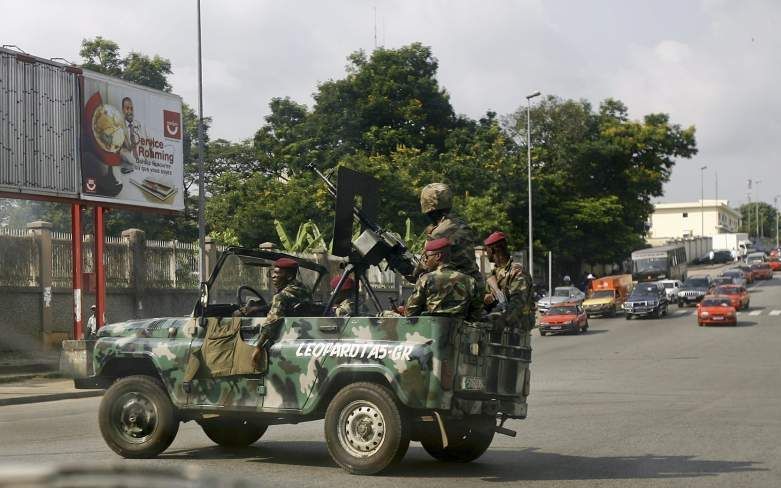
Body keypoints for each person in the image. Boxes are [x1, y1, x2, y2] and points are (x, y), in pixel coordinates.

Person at [410, 183, 482, 285]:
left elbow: (423, 268)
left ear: (428, 209)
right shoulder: (462, 225)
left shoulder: (438, 233)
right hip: (475, 285)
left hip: (455, 290)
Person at [404, 238, 482, 321]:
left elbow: (410, 312)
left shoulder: (426, 279)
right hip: (459, 331)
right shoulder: (469, 281)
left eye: (427, 256)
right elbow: (476, 313)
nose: (425, 260)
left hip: (432, 330)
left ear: (438, 256)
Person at [252, 258, 312, 366]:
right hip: (304, 333)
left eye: (277, 273)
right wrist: (256, 309)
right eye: (273, 273)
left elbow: (272, 322)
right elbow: (274, 306)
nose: (273, 276)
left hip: (285, 336)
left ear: (288, 276)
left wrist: (258, 346)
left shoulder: (281, 296)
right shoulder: (303, 289)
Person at [482, 231, 534, 328]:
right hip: (496, 325)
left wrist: (495, 320)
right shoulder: (494, 274)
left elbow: (518, 304)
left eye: (487, 249)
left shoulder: (517, 272)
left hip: (515, 329)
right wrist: (487, 298)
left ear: (493, 250)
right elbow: (486, 297)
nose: (486, 252)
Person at [119, 97, 139, 175]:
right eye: (127, 108)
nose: (130, 111)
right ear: (123, 110)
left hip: (141, 170)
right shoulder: (120, 126)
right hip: (126, 169)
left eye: (131, 108)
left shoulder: (138, 125)